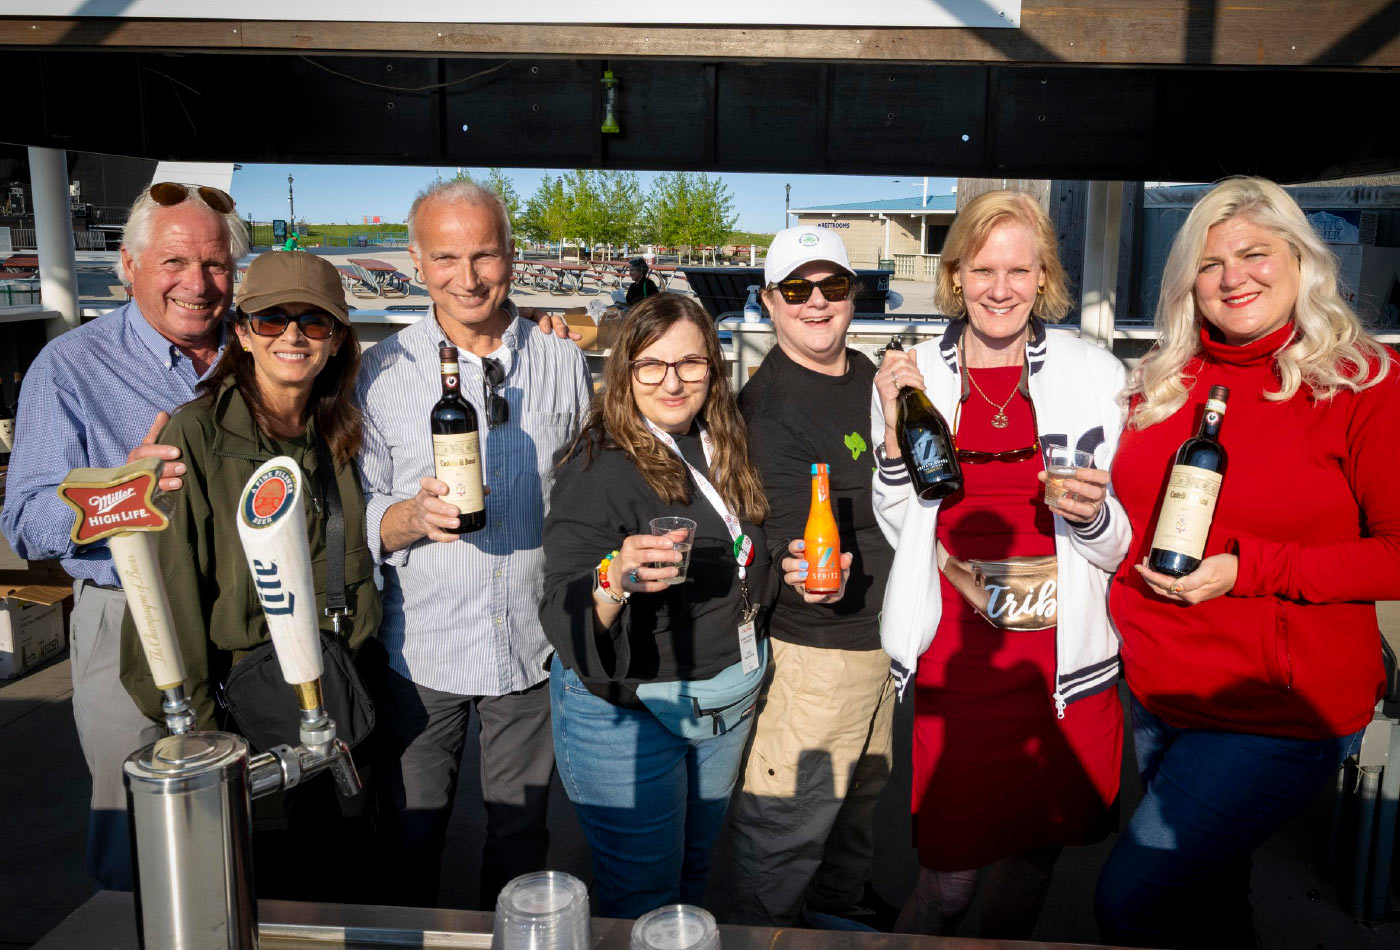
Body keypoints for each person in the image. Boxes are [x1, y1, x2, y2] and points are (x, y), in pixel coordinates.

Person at [1095, 177, 1400, 949]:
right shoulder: (1165, 382)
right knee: (1208, 892)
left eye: (1256, 253)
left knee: (1133, 900)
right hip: (1159, 688)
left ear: (1302, 261)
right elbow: (1133, 513)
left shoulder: (1362, 383)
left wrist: (1251, 567)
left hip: (1274, 708)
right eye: (1209, 262)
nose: (1233, 277)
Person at [872, 190, 1129, 938]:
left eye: (1019, 270)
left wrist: (1092, 515)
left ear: (1044, 275)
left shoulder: (1094, 374)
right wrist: (893, 439)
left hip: (1061, 665)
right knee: (948, 885)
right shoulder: (914, 373)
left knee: (1032, 865)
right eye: (982, 269)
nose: (1000, 288)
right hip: (964, 661)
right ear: (954, 275)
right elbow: (900, 525)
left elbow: (1121, 546)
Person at [541, 293, 824, 919]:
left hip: (723, 702)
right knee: (643, 898)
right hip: (629, 710)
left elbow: (755, 544)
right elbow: (562, 606)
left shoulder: (724, 441)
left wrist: (793, 565)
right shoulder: (597, 467)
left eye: (690, 363)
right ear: (626, 373)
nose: (672, 382)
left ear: (712, 370)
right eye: (652, 366)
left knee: (693, 873)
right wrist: (616, 575)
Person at [1, 181, 247, 891]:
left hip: (246, 613)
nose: (197, 284)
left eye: (216, 265)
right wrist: (119, 491)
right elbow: (25, 524)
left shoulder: (257, 351)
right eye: (174, 262)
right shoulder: (70, 367)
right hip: (129, 612)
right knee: (134, 835)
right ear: (130, 267)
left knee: (244, 822)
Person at [116, 249, 382, 900]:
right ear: (241, 332)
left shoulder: (338, 427)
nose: (293, 335)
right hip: (251, 728)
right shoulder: (198, 435)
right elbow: (169, 608)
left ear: (338, 340)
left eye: (314, 323)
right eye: (271, 320)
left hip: (343, 706)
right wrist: (215, 756)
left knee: (343, 892)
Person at [356, 179, 592, 910]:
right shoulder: (380, 372)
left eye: (485, 254)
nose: (468, 276)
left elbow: (586, 493)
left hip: (528, 647)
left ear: (512, 256)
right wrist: (407, 518)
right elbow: (361, 509)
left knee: (521, 843)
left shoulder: (562, 361)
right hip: (421, 652)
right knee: (408, 836)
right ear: (416, 260)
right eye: (447, 256)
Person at [725, 225, 898, 931]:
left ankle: (838, 909)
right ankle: (762, 935)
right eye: (797, 289)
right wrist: (809, 574)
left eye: (832, 285)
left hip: (886, 638)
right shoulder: (770, 409)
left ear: (853, 293)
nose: (817, 302)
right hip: (819, 653)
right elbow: (792, 543)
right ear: (768, 302)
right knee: (787, 828)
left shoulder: (867, 375)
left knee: (860, 804)